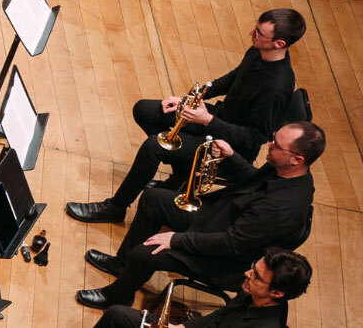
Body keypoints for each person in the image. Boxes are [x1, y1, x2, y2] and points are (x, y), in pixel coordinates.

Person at [68, 9, 305, 226]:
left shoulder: (276, 87)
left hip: (226, 149)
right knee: (146, 111)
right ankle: (180, 178)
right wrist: (188, 99)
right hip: (215, 120)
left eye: (259, 32)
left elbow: (255, 137)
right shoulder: (258, 51)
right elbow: (234, 78)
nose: (251, 33)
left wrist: (206, 121)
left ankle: (116, 207)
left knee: (155, 145)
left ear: (279, 43)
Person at [75, 122, 321, 309]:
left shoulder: (282, 208)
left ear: (296, 159)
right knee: (154, 199)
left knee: (145, 252)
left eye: (276, 144)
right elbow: (253, 181)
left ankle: (118, 296)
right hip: (217, 220)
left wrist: (175, 239)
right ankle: (122, 265)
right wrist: (232, 158)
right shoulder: (284, 168)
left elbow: (231, 243)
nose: (269, 144)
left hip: (223, 258)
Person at [87, 249, 308, 328]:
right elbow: (217, 317)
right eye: (253, 268)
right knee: (117, 314)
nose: (247, 274)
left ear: (276, 293)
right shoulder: (252, 291)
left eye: (256, 276)